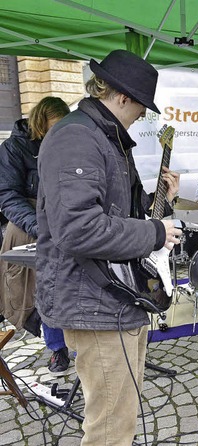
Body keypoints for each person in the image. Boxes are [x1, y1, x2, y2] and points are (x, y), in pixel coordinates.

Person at [36, 49, 182, 445]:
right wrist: (154, 233)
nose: (144, 116)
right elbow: (78, 229)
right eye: (142, 108)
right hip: (93, 301)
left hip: (116, 297)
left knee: (121, 415)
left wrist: (161, 199)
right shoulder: (76, 137)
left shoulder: (106, 137)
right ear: (122, 97)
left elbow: (120, 214)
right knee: (109, 427)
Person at [0, 96, 71, 376]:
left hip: (64, 220)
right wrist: (37, 227)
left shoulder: (65, 143)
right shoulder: (14, 148)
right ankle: (57, 348)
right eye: (55, 126)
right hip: (30, 224)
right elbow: (7, 195)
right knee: (44, 285)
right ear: (40, 121)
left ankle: (82, 339)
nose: (60, 131)